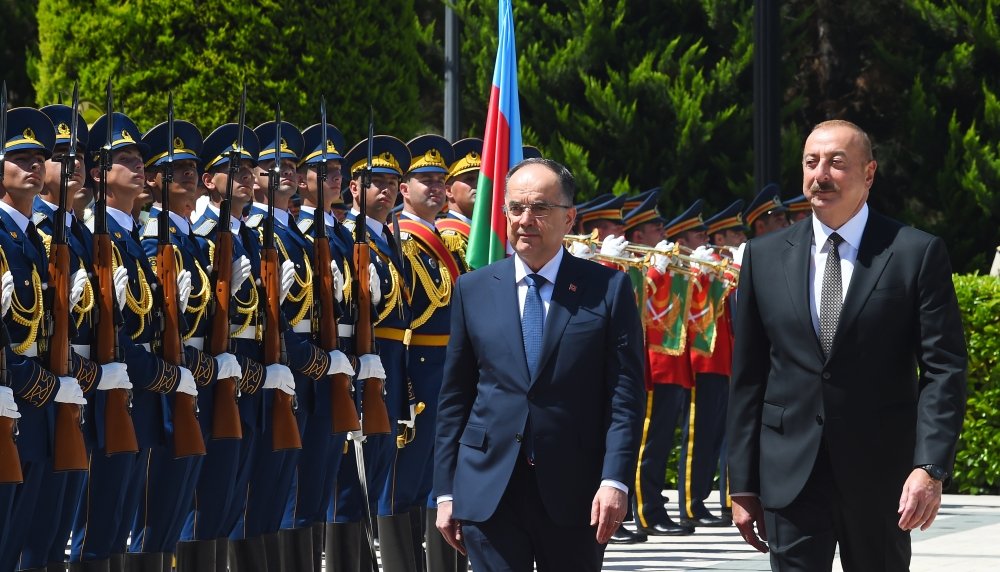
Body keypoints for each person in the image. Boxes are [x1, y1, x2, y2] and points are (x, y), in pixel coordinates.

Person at [728, 119, 967, 571]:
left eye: (836, 163)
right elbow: (748, 376)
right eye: (811, 162)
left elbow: (944, 370)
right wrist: (741, 483)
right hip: (790, 477)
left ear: (869, 173)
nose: (821, 175)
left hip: (881, 478)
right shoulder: (763, 256)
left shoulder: (915, 253)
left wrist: (930, 467)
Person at [434, 158, 645, 571]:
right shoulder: (473, 288)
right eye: (516, 208)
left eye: (540, 208)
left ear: (569, 217)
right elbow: (455, 397)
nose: (525, 220)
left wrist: (615, 479)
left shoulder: (607, 289)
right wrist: (445, 491)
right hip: (489, 489)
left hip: (575, 492)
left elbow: (625, 398)